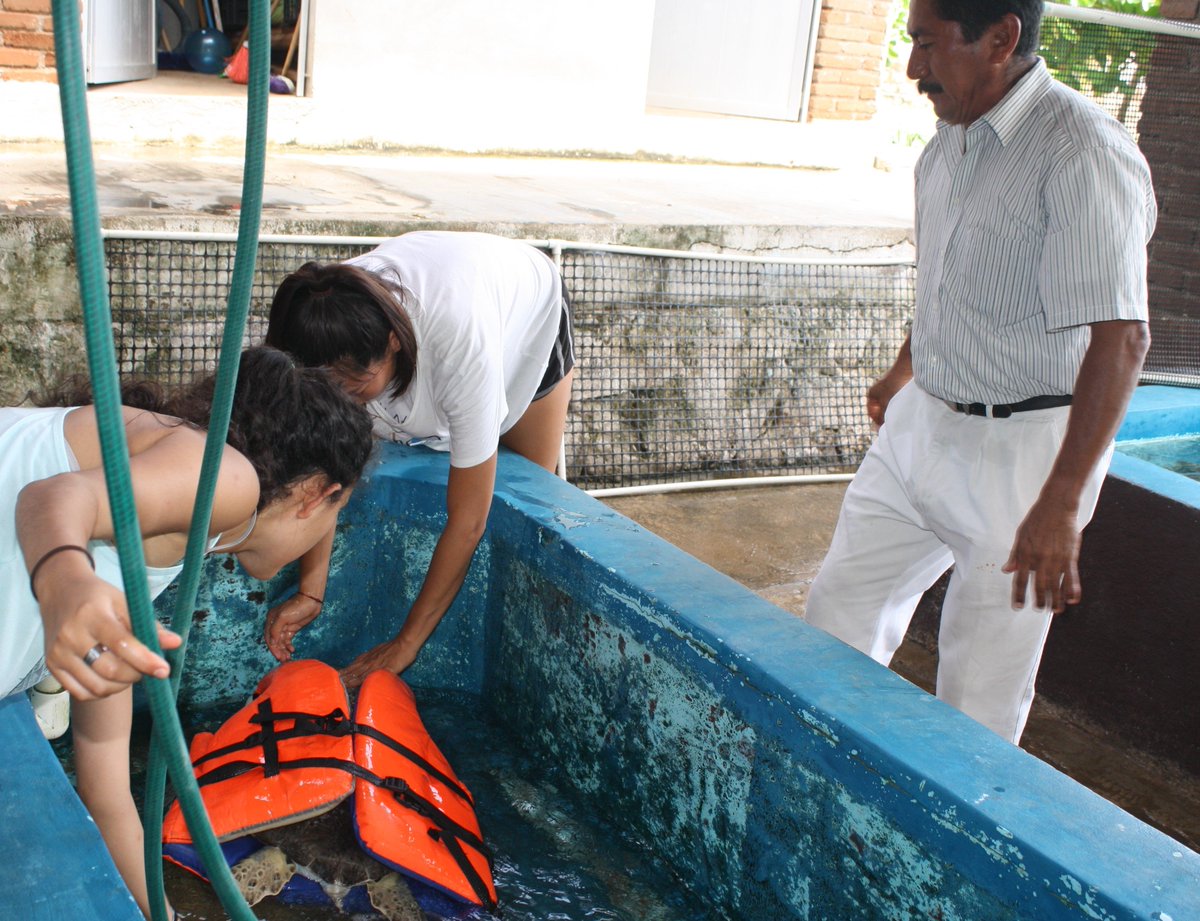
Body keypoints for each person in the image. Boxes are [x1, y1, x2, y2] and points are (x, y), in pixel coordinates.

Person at [804, 0, 1155, 744]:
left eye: (927, 46)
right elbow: (949, 276)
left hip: (1026, 456)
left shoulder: (1082, 152)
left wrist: (1061, 503)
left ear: (1001, 39)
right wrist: (906, 371)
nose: (912, 69)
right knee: (835, 616)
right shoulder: (949, 142)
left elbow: (1121, 337)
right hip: (922, 420)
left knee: (976, 697)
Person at [1, 346, 374, 919]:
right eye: (338, 514)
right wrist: (65, 584)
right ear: (318, 494)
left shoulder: (158, 544)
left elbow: (105, 785)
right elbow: (51, 497)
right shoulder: (226, 478)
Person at [262, 230, 575, 685]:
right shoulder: (321, 317)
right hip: (445, 288)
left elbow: (468, 520)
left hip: (526, 306)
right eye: (326, 383)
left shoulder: (458, 341)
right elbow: (326, 471)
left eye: (353, 381)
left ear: (391, 341)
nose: (341, 395)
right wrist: (311, 590)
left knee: (527, 489)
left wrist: (404, 645)